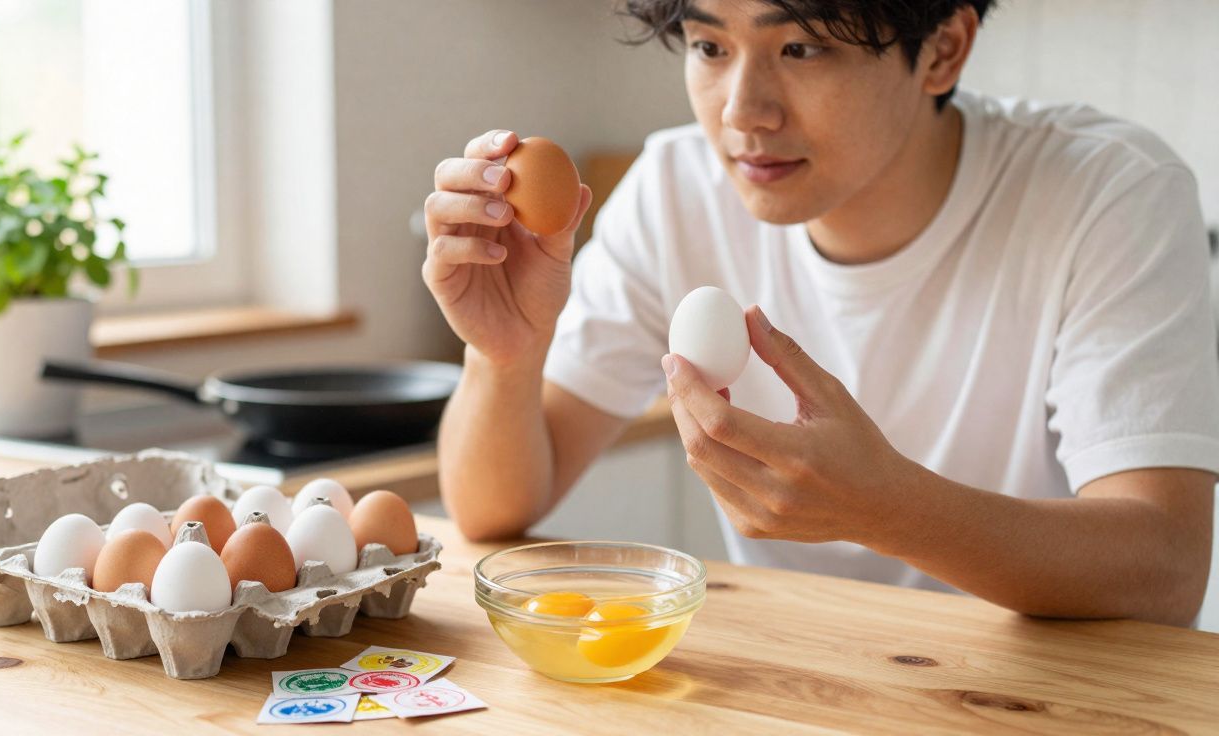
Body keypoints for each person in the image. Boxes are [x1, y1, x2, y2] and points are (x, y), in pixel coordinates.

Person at [421, 0, 1219, 626]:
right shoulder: (674, 190)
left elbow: (1166, 570)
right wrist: (506, 354)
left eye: (801, 48)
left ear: (942, 50)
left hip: (1041, 691)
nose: (743, 112)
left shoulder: (1107, 193)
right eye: (710, 47)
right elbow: (490, 508)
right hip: (800, 681)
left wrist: (892, 509)